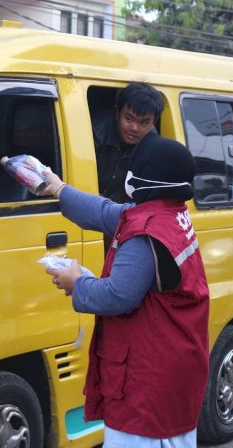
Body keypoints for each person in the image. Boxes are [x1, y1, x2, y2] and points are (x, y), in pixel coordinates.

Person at [42, 131, 210, 447]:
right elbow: (106, 212)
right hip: (176, 365)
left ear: (147, 178)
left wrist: (77, 283)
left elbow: (119, 295)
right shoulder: (168, 212)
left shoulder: (145, 233)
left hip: (150, 377)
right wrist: (58, 188)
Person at [94, 81, 164, 203]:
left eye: (143, 123)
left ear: (153, 122)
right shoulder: (95, 133)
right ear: (117, 113)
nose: (134, 128)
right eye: (128, 119)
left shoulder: (152, 147)